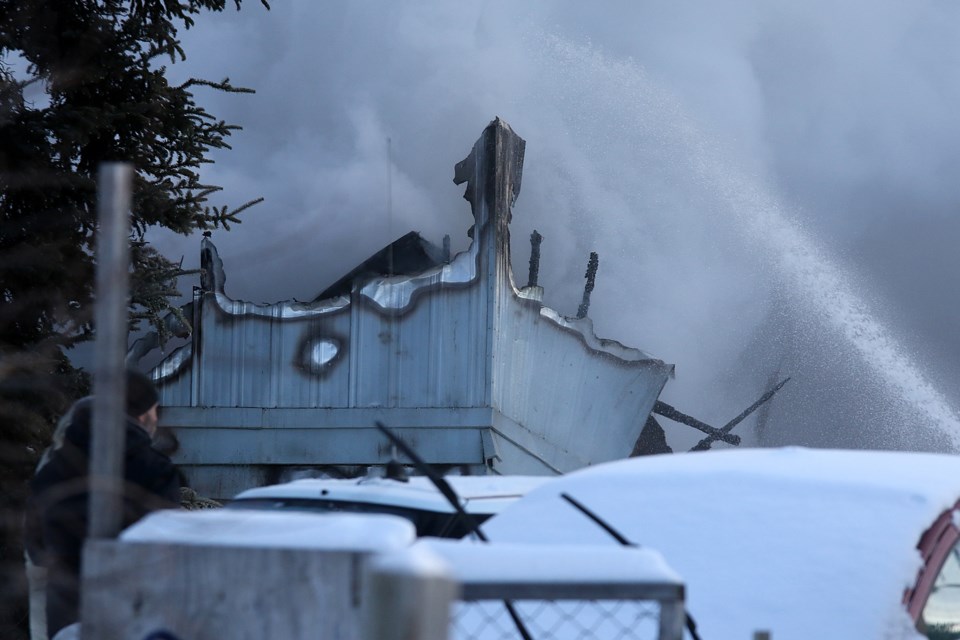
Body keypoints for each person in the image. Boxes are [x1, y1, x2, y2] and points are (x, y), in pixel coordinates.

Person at [26, 370, 181, 638]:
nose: (156, 419)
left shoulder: (54, 467)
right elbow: (167, 544)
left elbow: (34, 540)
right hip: (131, 604)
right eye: (155, 411)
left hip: (65, 605)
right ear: (142, 413)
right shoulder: (155, 470)